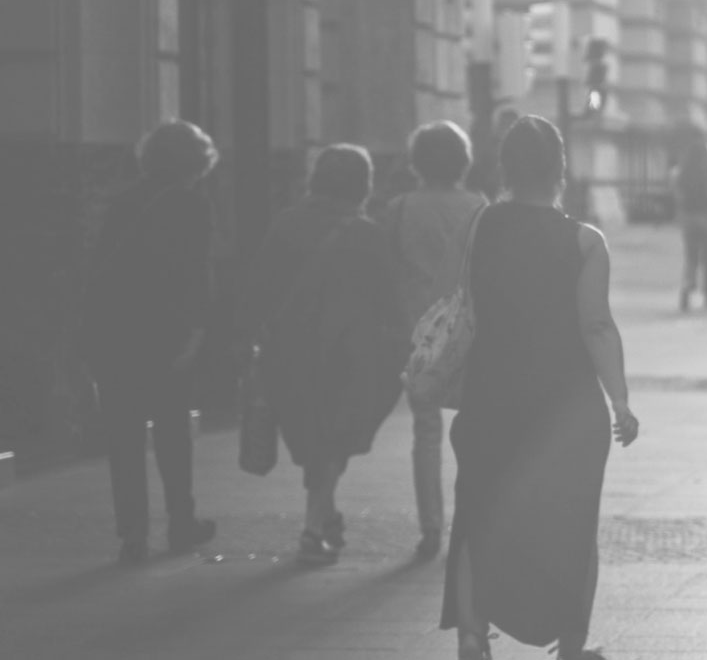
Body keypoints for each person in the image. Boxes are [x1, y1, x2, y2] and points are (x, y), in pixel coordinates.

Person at [443, 116, 638, 660]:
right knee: (573, 520)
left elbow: (463, 300)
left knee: (478, 510)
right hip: (567, 407)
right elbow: (595, 326)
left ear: (505, 167)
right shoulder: (584, 241)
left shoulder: (480, 225)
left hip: (491, 394)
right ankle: (571, 646)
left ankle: (472, 636)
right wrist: (619, 399)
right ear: (561, 170)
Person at [254, 144, 410, 566]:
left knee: (315, 435)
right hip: (351, 354)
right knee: (335, 437)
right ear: (364, 184)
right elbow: (390, 298)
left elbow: (262, 287)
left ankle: (324, 515)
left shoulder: (285, 225)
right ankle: (313, 525)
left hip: (291, 350)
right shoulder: (367, 234)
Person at [82, 121, 221, 565]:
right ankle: (181, 522)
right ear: (197, 162)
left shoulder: (123, 202)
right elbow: (198, 272)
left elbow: (99, 265)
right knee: (172, 432)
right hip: (168, 333)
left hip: (116, 332)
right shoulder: (194, 205)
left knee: (123, 436)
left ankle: (132, 533)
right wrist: (199, 329)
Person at [385, 121, 490, 561]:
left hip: (419, 333)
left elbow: (387, 271)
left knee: (425, 431)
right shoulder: (479, 206)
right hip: (471, 332)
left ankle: (431, 528)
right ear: (462, 161)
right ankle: (474, 524)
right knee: (475, 430)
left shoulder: (400, 207)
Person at [671, 131, 707, 312]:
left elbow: (679, 196)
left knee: (691, 258)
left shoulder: (683, 174)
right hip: (706, 218)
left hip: (689, 219)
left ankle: (687, 287)